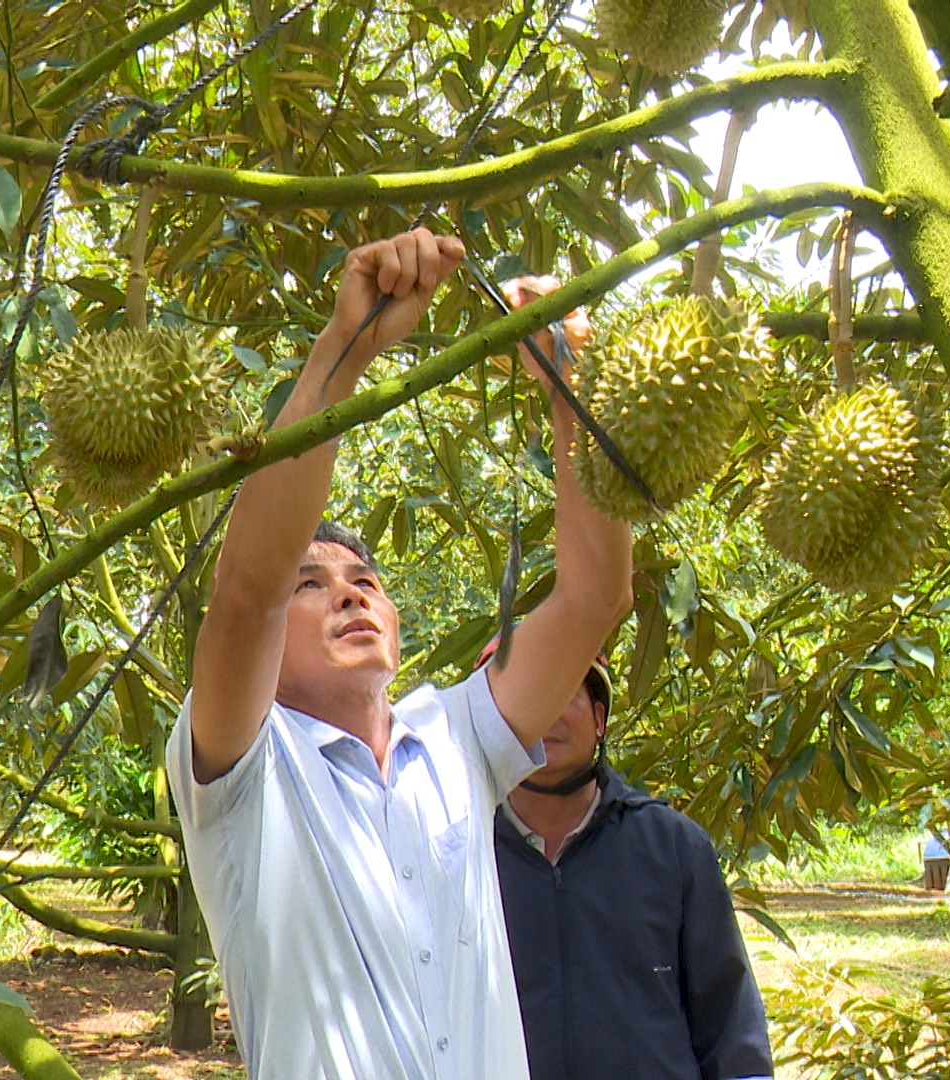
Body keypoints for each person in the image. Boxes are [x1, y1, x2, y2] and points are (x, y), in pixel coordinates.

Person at [167, 227, 634, 1080]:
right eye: (314, 584)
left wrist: (574, 391)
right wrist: (345, 353)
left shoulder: (456, 737)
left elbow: (596, 597)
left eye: (366, 579)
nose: (349, 593)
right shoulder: (243, 775)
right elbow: (244, 595)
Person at [490, 643, 774, 1080]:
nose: (545, 709)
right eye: (527, 691)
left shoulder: (674, 846)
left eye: (563, 690)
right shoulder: (459, 855)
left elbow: (731, 1026)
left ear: (599, 720)